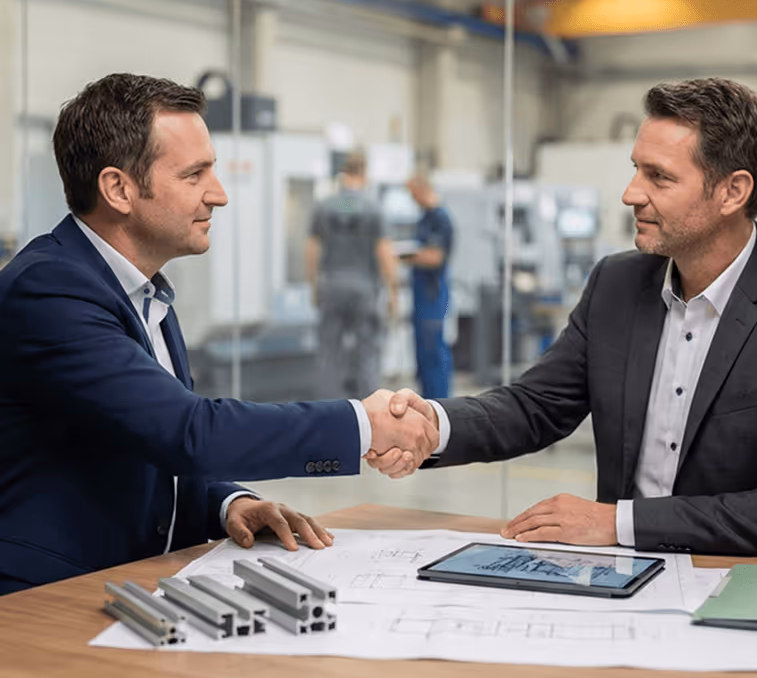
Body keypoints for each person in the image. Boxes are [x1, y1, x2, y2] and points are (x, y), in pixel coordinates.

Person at [0, 74, 437, 595]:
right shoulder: (51, 291)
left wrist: (229, 503)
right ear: (118, 189)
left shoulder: (142, 290)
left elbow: (135, 440)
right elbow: (186, 431)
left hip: (128, 584)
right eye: (194, 175)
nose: (220, 194)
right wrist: (363, 424)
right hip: (46, 599)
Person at [369, 77, 757, 556]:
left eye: (659, 177)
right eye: (636, 170)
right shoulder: (618, 284)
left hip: (736, 578)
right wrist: (432, 424)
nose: (630, 194)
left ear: (733, 192)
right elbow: (536, 406)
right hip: (625, 577)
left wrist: (618, 522)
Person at [305, 150, 399, 400]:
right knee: (367, 353)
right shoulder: (373, 208)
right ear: (364, 173)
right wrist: (393, 291)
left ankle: (329, 411)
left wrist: (313, 284)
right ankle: (369, 413)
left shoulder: (325, 206)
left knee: (329, 353)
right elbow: (385, 252)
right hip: (364, 289)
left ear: (343, 172)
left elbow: (312, 249)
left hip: (332, 286)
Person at [401, 175, 454, 399]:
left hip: (432, 293)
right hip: (421, 293)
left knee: (433, 350)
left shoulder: (440, 219)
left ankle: (439, 403)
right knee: (422, 352)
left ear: (423, 188)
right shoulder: (425, 218)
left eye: (413, 193)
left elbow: (435, 257)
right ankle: (426, 400)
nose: (412, 198)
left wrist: (402, 256)